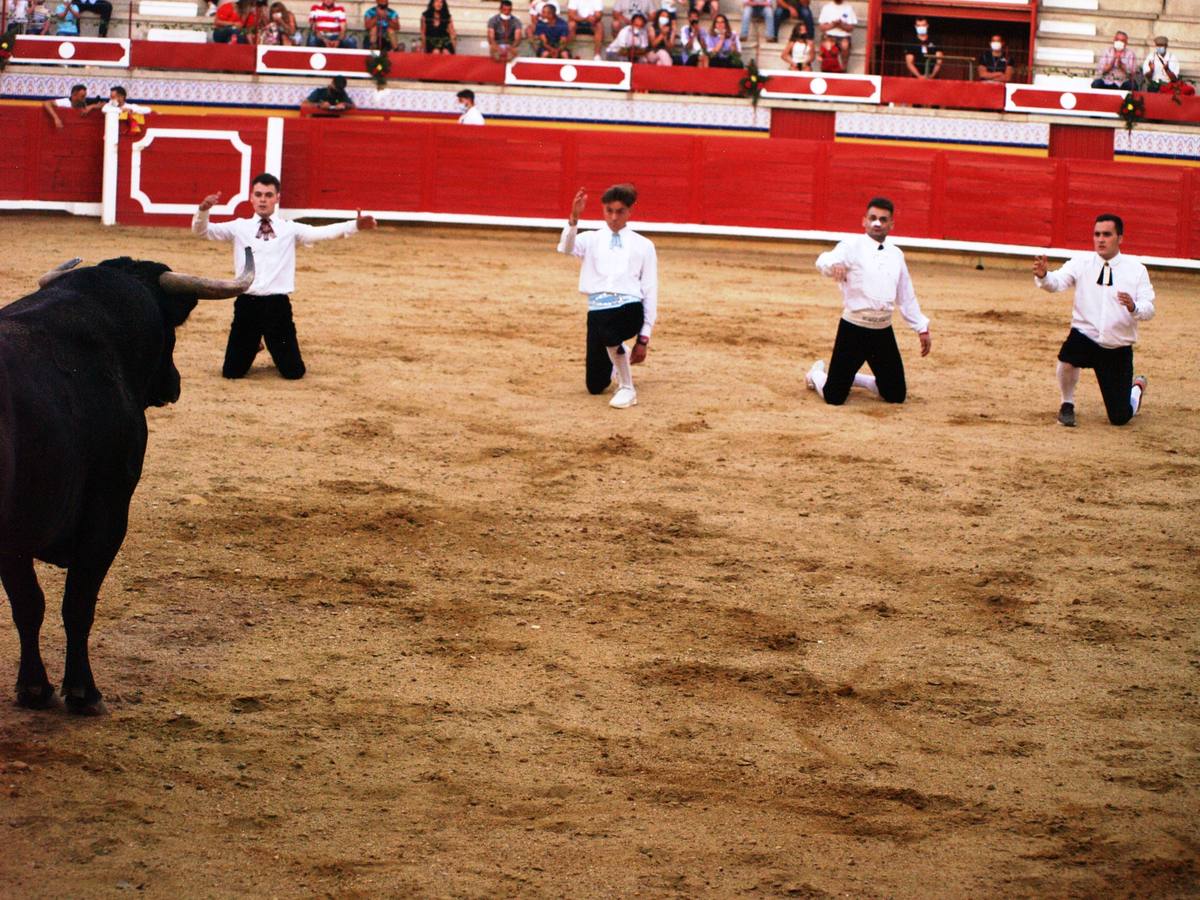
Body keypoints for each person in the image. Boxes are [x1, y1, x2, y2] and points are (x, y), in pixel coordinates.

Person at [192, 173, 378, 380]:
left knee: (294, 372)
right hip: (247, 305)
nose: (263, 199)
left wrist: (354, 225)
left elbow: (321, 232)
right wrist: (203, 210)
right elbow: (203, 232)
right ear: (251, 198)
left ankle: (256, 344)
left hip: (277, 307)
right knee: (231, 373)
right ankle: (253, 345)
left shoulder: (289, 229)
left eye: (268, 195)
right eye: (259, 194)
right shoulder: (239, 227)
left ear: (277, 198)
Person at [806, 197, 931, 406]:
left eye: (883, 219)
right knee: (834, 397)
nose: (877, 223)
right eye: (873, 218)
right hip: (853, 329)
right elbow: (823, 260)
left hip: (882, 330)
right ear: (864, 221)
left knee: (895, 395)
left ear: (891, 224)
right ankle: (816, 375)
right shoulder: (851, 246)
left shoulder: (896, 255)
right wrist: (835, 264)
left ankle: (858, 379)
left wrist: (921, 328)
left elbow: (906, 295)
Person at [1032, 214, 1153, 427]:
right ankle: (1066, 404)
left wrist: (1134, 307)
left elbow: (1149, 309)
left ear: (1120, 238)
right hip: (1085, 336)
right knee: (1068, 356)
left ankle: (1136, 391)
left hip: (1117, 345)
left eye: (1107, 234)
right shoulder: (1082, 262)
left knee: (1120, 418)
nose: (1101, 239)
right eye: (1097, 234)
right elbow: (1057, 283)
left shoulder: (1136, 270)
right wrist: (1044, 276)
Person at [556, 184, 658, 410]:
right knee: (595, 385)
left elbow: (650, 290)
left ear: (630, 212)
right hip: (598, 311)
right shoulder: (590, 239)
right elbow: (566, 247)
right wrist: (574, 217)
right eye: (608, 211)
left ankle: (627, 388)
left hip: (629, 309)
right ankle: (620, 352)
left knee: (608, 329)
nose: (613, 217)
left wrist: (644, 338)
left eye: (619, 211)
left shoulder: (644, 245)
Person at [817, 0, 853, 69]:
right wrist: (833, 25)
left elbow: (851, 28)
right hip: (829, 35)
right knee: (827, 45)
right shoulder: (826, 8)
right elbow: (821, 27)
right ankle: (826, 67)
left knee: (845, 45)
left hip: (843, 36)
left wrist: (841, 25)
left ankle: (843, 68)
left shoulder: (849, 8)